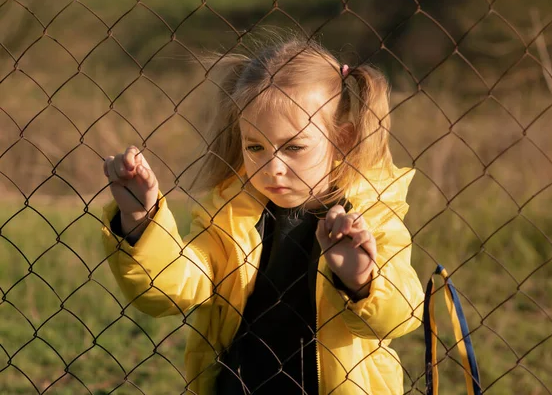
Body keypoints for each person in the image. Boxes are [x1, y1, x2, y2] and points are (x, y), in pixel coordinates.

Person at [101, 36, 424, 395]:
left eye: (294, 147)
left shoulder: (370, 213)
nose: (272, 167)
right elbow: (171, 290)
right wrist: (141, 222)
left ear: (342, 140)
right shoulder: (230, 214)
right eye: (255, 146)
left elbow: (402, 314)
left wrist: (362, 281)